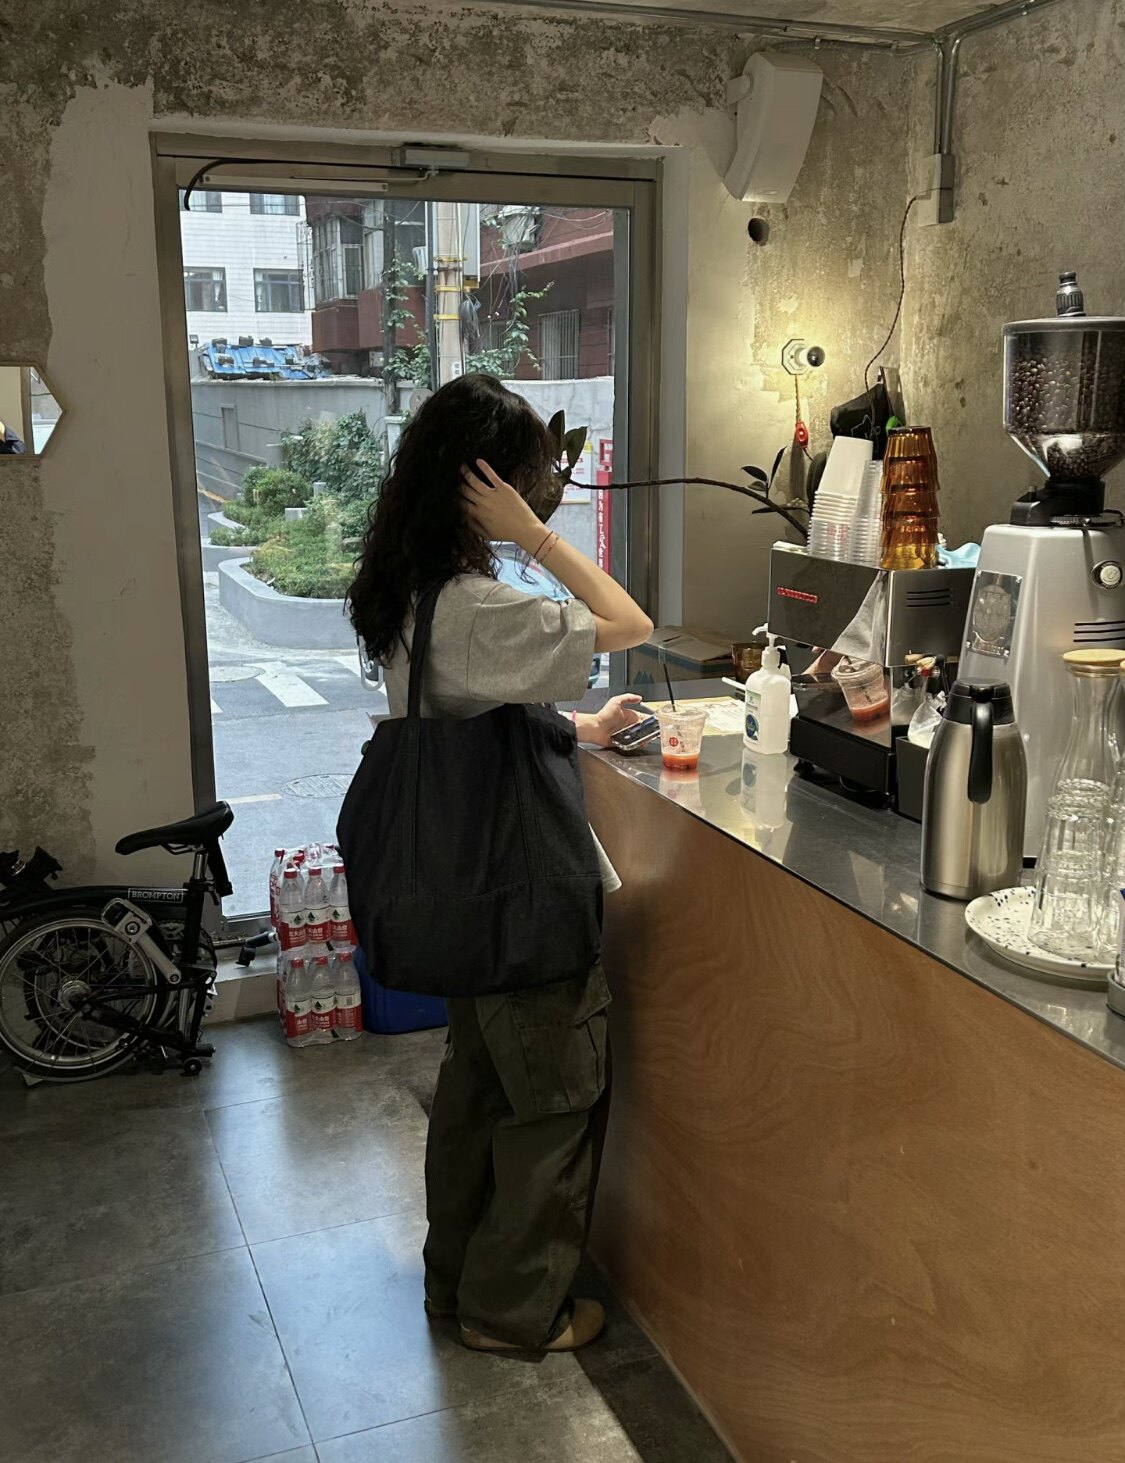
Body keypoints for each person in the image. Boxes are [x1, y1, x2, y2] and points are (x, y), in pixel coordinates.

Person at [348, 374, 653, 1354]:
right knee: (553, 1101)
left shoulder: (416, 592)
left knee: (478, 1095)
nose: (542, 493)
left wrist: (578, 724)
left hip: (470, 893)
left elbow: (473, 711)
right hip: (521, 893)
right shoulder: (479, 605)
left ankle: (456, 1284)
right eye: (528, 480)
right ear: (488, 486)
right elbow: (630, 622)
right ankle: (515, 1309)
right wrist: (534, 537)